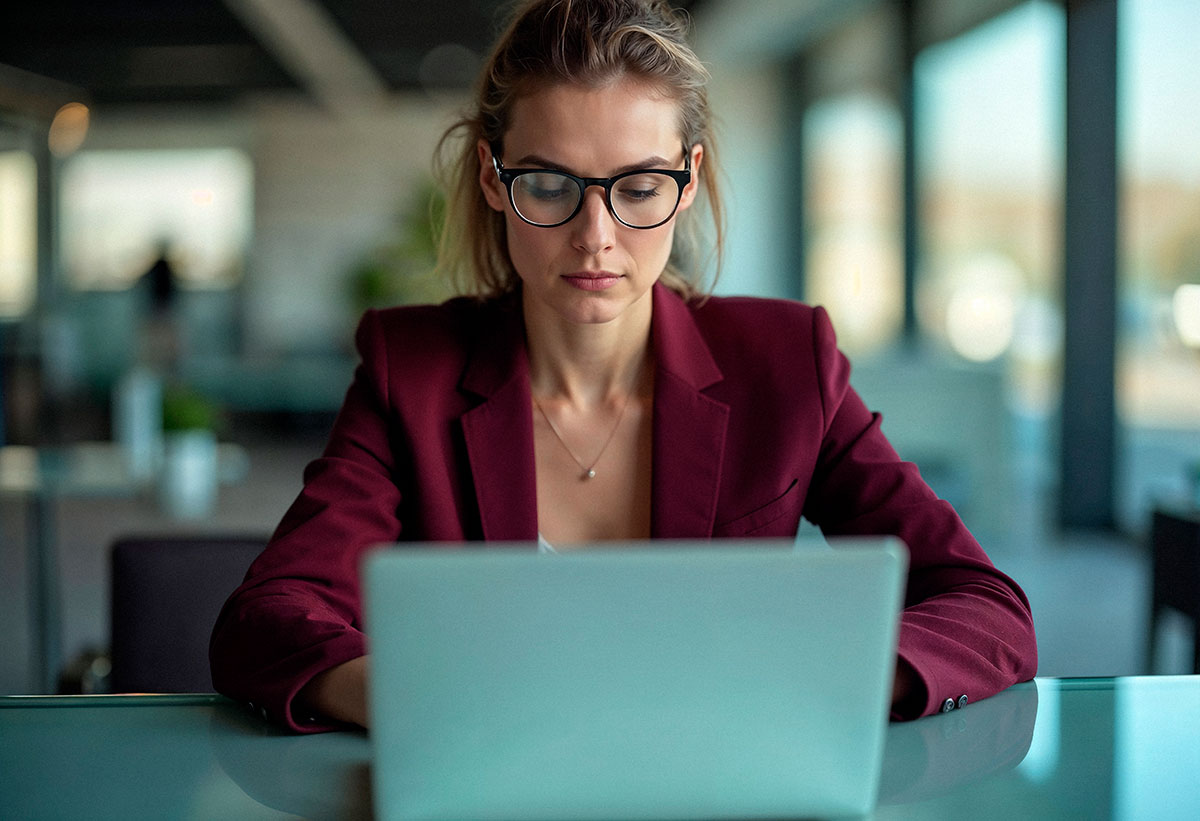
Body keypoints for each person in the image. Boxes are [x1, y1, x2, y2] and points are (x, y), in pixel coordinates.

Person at [210, 0, 1037, 733]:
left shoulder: (789, 364)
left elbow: (986, 608)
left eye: (639, 188)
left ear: (688, 182)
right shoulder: (410, 372)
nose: (595, 236)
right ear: (495, 181)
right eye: (548, 184)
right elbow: (267, 620)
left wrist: (827, 682)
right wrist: (423, 699)